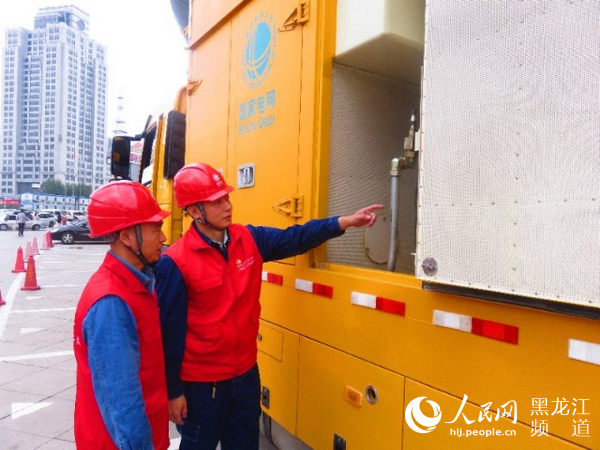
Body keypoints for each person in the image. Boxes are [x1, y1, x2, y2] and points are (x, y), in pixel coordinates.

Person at [155, 163, 384, 450]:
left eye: (227, 198)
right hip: (202, 387)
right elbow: (169, 335)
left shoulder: (249, 239)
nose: (228, 206)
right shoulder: (176, 262)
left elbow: (295, 237)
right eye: (217, 202)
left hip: (245, 376)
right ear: (194, 211)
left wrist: (344, 222)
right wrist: (173, 392)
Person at [73, 180, 171, 449]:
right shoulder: (112, 302)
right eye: (156, 229)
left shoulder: (137, 282)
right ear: (126, 237)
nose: (163, 238)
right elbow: (122, 400)